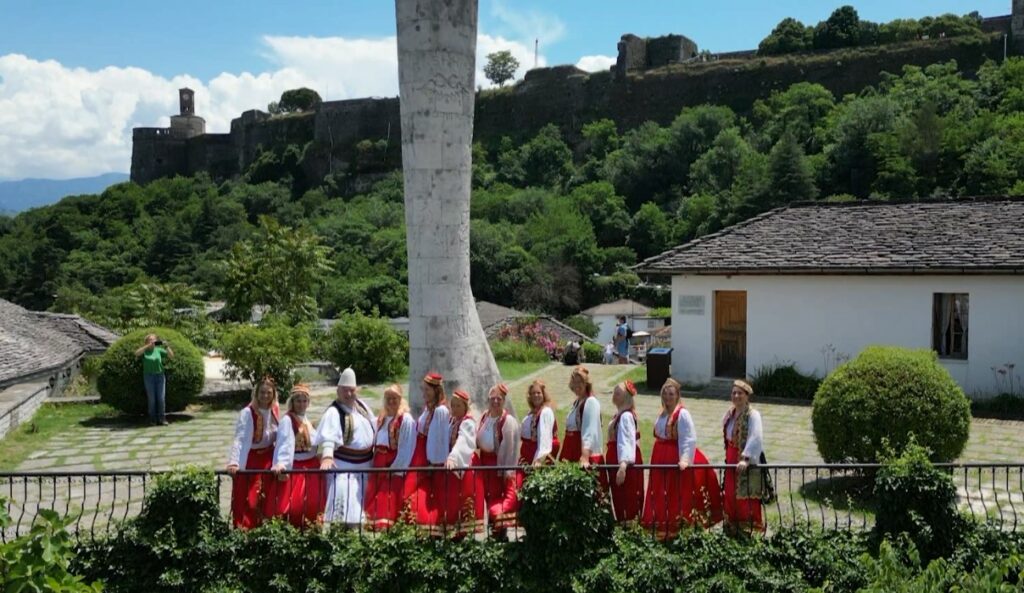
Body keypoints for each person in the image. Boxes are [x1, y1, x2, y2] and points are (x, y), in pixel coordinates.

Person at [642, 378, 723, 539]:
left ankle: (678, 528)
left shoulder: (682, 414)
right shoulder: (663, 413)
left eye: (671, 394)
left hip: (674, 456)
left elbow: (689, 438)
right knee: (661, 492)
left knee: (676, 493)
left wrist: (685, 459)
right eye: (665, 393)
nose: (667, 397)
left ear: (678, 395)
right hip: (660, 457)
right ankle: (662, 527)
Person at [315, 367, 375, 526]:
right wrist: (327, 456)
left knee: (363, 510)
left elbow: (375, 423)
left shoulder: (361, 405)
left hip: (366, 466)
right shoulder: (334, 412)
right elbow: (329, 436)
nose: (349, 394)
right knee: (343, 509)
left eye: (352, 390)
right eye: (345, 391)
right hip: (345, 468)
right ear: (338, 391)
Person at [226, 376, 280, 529]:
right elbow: (240, 439)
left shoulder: (275, 409)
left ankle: (266, 529)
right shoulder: (248, 412)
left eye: (269, 393)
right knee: (250, 497)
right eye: (262, 392)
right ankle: (246, 530)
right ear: (256, 393)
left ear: (273, 394)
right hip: (253, 459)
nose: (265, 396)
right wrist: (234, 462)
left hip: (269, 458)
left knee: (268, 496)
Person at [270, 383, 326, 528]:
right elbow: (285, 443)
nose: (301, 404)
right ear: (292, 402)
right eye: (298, 401)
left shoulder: (306, 419)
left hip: (312, 467)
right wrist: (282, 464)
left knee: (313, 503)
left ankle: (311, 533)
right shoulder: (288, 420)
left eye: (304, 401)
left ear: (308, 402)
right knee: (297, 505)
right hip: (298, 468)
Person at [363, 384, 416, 530]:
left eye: (394, 398)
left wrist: (395, 470)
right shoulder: (381, 418)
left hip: (392, 466)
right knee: (373, 502)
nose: (391, 401)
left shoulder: (406, 420)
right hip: (378, 466)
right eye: (388, 398)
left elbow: (407, 448)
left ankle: (388, 536)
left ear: (400, 399)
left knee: (386, 502)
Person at [405, 372, 452, 529]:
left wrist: (434, 462)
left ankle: (428, 527)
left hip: (427, 457)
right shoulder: (428, 409)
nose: (424, 393)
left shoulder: (440, 411)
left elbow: (440, 440)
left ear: (436, 391)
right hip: (418, 453)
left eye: (428, 390)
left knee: (420, 494)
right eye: (423, 390)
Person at [475, 383, 521, 536]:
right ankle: (492, 531)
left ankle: (500, 534)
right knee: (487, 497)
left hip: (497, 465)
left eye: (499, 399)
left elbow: (511, 449)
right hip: (484, 463)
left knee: (497, 499)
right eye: (493, 398)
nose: (495, 402)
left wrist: (506, 472)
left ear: (504, 400)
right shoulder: (484, 416)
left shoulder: (507, 422)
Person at [722, 379, 766, 535]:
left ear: (747, 396)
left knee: (745, 495)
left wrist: (746, 458)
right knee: (730, 492)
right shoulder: (730, 414)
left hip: (745, 461)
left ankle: (748, 531)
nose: (736, 396)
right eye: (734, 393)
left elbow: (756, 437)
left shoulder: (753, 415)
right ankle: (731, 528)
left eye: (740, 393)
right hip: (731, 459)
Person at [605, 381, 644, 522]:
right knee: (620, 498)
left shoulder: (626, 416)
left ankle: (628, 528)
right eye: (614, 391)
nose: (614, 394)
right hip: (617, 458)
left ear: (626, 396)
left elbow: (626, 441)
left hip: (622, 462)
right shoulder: (620, 414)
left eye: (618, 392)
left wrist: (623, 466)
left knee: (626, 498)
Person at [441, 389, 478, 535]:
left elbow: (463, 441)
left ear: (465, 407)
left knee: (464, 499)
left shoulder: (467, 422)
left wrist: (453, 457)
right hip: (452, 465)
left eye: (458, 406)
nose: (455, 409)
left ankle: (463, 535)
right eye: (453, 405)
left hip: (464, 464)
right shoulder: (452, 421)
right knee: (452, 500)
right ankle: (452, 532)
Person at [559, 366, 603, 472]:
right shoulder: (577, 402)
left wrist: (585, 456)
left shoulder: (590, 402)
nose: (577, 385)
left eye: (580, 382)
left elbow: (590, 431)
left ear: (586, 383)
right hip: (570, 451)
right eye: (574, 382)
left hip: (581, 452)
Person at [134, 333, 174, 425]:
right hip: (149, 377)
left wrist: (167, 346)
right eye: (150, 340)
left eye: (154, 340)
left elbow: (171, 356)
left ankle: (162, 418)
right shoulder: (145, 351)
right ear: (146, 342)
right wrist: (146, 346)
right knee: (152, 399)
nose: (152, 341)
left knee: (161, 398)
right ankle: (152, 419)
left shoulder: (159, 350)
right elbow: (136, 353)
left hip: (160, 376)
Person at [519, 379, 559, 467]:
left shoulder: (545, 412)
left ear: (543, 394)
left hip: (536, 455)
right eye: (533, 393)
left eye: (538, 393)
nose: (535, 395)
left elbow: (545, 438)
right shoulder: (531, 413)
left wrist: (539, 459)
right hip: (527, 455)